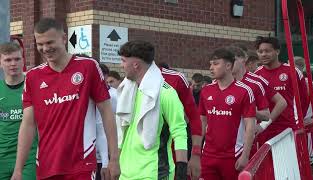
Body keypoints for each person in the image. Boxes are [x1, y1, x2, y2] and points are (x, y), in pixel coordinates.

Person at [11, 18, 120, 180]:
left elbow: (106, 113)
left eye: (49, 42)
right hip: (47, 165)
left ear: (63, 38)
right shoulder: (33, 77)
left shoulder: (88, 67)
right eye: (40, 44)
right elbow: (28, 124)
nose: (45, 48)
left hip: (81, 164)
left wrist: (113, 158)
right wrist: (18, 169)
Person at [117, 40, 188, 179]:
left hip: (154, 173)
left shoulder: (166, 93)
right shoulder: (127, 90)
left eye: (124, 61)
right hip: (126, 174)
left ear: (135, 64)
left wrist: (181, 171)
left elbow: (179, 132)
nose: (121, 65)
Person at [199, 47, 256, 179]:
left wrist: (245, 156)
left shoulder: (244, 91)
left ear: (229, 65)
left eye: (216, 63)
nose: (211, 68)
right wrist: (196, 153)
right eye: (210, 64)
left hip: (233, 156)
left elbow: (250, 126)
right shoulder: (206, 91)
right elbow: (201, 123)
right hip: (208, 156)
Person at [254, 36, 309, 144]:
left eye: (267, 51)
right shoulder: (257, 75)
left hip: (287, 128)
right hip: (264, 129)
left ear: (277, 51)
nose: (263, 54)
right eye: (260, 51)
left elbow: (304, 99)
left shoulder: (292, 71)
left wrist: (298, 122)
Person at [0, 42, 37, 180]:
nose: (13, 63)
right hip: (2, 158)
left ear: (23, 61)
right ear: (0, 63)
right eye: (8, 60)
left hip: (29, 157)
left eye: (17, 59)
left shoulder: (34, 86)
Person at [160, 66, 203, 179]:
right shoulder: (130, 81)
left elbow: (193, 117)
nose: (122, 64)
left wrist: (196, 154)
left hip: (173, 153)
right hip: (138, 160)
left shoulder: (175, 78)